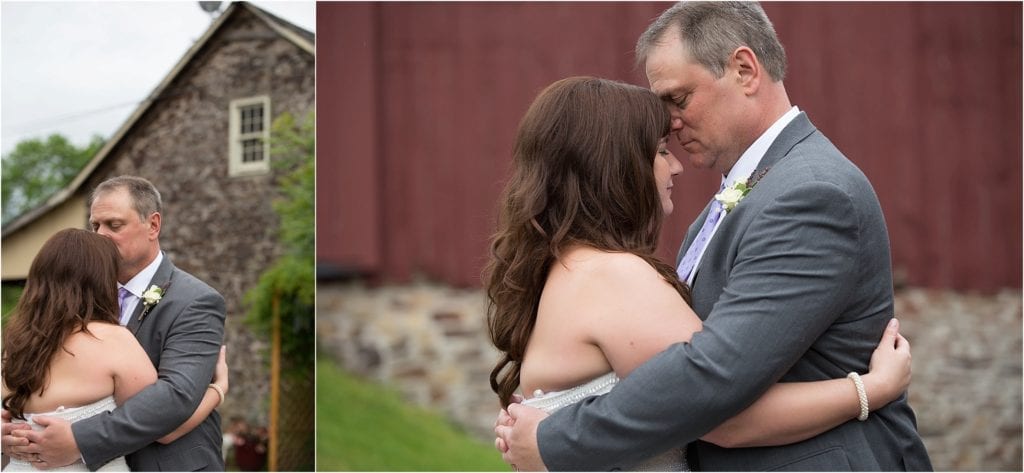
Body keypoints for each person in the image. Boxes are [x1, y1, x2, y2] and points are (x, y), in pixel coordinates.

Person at [495, 3, 932, 471]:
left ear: (744, 70)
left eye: (679, 100)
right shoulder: (732, 202)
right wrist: (866, 390)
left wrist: (557, 438)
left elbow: (712, 382)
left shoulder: (811, 194)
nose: (673, 125)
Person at [1, 176, 228, 471]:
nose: (101, 235)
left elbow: (174, 396)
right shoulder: (69, 305)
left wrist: (79, 440)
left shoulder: (195, 300)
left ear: (153, 225)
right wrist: (12, 428)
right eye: (95, 225)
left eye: (114, 225)